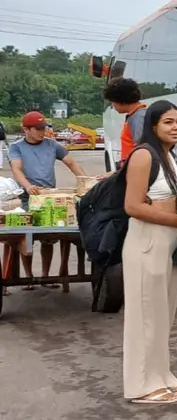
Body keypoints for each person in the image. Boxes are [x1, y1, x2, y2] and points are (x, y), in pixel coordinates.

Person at [122, 100, 177, 404]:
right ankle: (141, 386)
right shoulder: (143, 156)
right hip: (147, 242)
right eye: (168, 122)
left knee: (163, 315)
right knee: (145, 317)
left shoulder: (168, 156)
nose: (175, 127)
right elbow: (133, 206)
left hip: (170, 244)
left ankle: (161, 375)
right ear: (153, 125)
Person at [7, 111, 86, 289]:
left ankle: (45, 276)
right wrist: (28, 186)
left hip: (49, 197)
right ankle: (29, 278)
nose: (43, 132)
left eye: (44, 128)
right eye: (38, 129)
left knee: (49, 237)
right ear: (26, 129)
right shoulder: (17, 147)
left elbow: (72, 163)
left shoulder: (52, 145)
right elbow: (17, 169)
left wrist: (85, 182)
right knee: (27, 237)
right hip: (29, 197)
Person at [103, 77, 147, 163]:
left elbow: (142, 152)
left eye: (112, 101)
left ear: (120, 100)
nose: (112, 105)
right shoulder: (135, 116)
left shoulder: (139, 118)